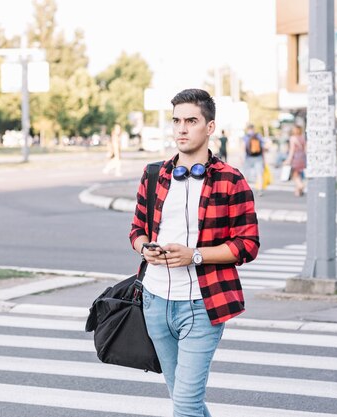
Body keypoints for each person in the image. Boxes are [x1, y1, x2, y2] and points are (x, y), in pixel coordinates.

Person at [129, 88, 259, 417]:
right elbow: (136, 230)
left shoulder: (231, 180)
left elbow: (248, 244)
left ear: (210, 127)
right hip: (155, 302)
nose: (181, 129)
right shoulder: (155, 174)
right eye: (176, 121)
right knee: (185, 400)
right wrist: (146, 249)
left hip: (203, 305)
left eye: (191, 121)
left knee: (185, 404)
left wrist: (195, 255)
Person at [242, 123, 268, 196]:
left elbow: (243, 148)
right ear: (253, 129)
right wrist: (264, 159)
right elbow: (263, 148)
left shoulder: (245, 137)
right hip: (258, 157)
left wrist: (242, 158)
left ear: (247, 129)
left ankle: (244, 190)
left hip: (248, 157)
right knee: (259, 174)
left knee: (246, 174)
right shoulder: (258, 136)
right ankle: (259, 190)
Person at [284, 125, 306, 197]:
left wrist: (288, 160)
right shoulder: (303, 138)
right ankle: (298, 191)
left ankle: (300, 186)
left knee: (295, 175)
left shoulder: (293, 138)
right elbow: (305, 149)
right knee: (299, 174)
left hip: (295, 158)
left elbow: (292, 151)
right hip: (302, 158)